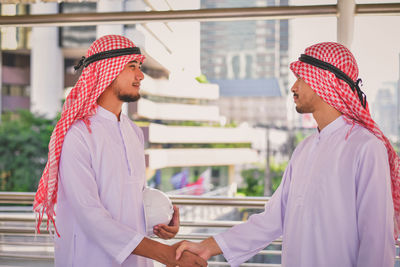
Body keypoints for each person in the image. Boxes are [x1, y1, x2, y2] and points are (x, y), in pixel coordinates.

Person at [175, 42, 399, 267]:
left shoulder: (366, 147)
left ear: (324, 81)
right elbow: (273, 219)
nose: (293, 87)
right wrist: (207, 247)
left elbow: (377, 243)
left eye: (301, 78)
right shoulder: (304, 149)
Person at [33, 35, 206, 267]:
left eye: (140, 67)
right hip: (89, 259)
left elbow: (132, 198)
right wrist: (165, 254)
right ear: (107, 71)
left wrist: (159, 220)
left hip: (138, 260)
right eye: (132, 67)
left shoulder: (133, 132)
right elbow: (90, 215)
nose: (141, 75)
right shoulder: (78, 135)